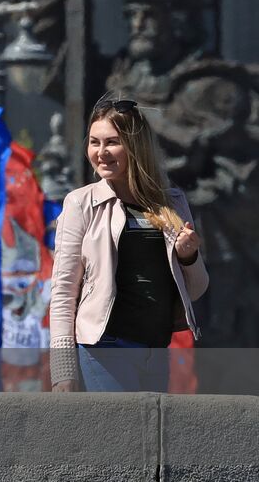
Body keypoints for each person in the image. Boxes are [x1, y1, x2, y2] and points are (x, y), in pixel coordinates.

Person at [50, 96, 208, 392]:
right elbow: (62, 291)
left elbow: (196, 289)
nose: (101, 152)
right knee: (120, 436)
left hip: (155, 348)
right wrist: (63, 371)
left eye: (111, 142)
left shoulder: (172, 202)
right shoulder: (81, 203)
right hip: (104, 347)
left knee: (148, 437)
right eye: (94, 142)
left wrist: (189, 257)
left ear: (136, 147)